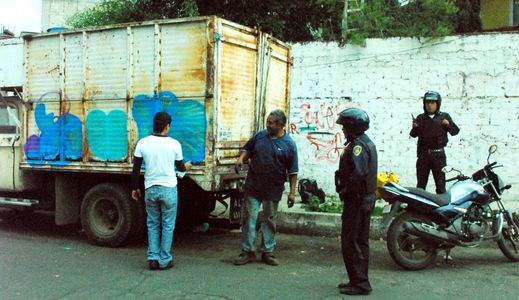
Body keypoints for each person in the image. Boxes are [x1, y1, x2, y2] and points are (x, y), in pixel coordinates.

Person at [233, 109, 298, 266]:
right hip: (253, 186)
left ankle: (267, 251)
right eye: (267, 122)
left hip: (273, 188)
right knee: (249, 218)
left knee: (269, 220)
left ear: (281, 125)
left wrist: (292, 193)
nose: (267, 125)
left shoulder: (289, 144)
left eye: (271, 123)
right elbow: (248, 149)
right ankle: (247, 251)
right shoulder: (260, 136)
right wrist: (241, 159)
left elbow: (293, 171)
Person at [131, 111, 191, 270]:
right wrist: (187, 167)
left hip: (150, 188)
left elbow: (136, 169)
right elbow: (180, 168)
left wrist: (134, 188)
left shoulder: (143, 143)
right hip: (169, 189)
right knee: (168, 224)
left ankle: (152, 258)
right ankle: (165, 259)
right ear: (167, 126)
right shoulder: (174, 144)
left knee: (152, 223)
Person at [335, 108, 377, 296]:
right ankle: (358, 280)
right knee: (360, 241)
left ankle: (360, 283)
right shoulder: (364, 142)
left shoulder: (359, 146)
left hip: (357, 200)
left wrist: (345, 190)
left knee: (352, 241)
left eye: (344, 125)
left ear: (352, 126)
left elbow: (358, 174)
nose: (342, 129)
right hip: (363, 200)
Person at [410, 91, 459, 194]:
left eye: (433, 102)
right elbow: (413, 135)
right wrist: (415, 128)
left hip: (438, 155)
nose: (430, 105)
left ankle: (441, 210)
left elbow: (455, 131)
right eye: (427, 102)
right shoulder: (420, 118)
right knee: (420, 185)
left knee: (440, 185)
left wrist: (448, 125)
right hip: (423, 155)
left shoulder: (444, 117)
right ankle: (419, 209)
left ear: (438, 104)